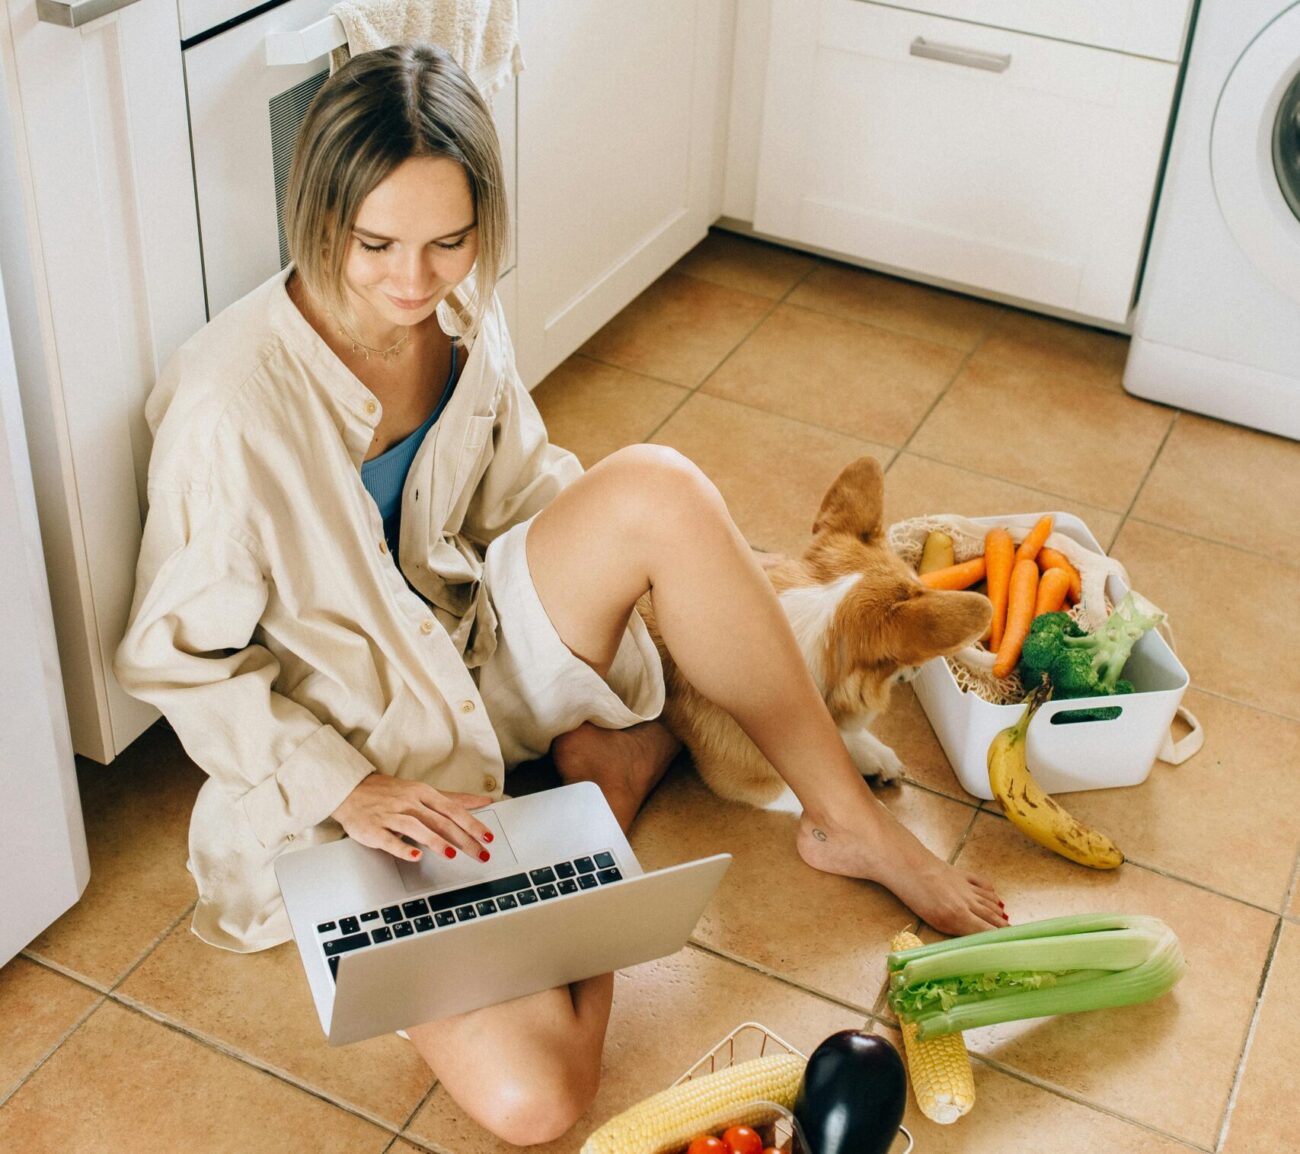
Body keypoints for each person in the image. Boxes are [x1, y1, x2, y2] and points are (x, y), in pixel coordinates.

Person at [114, 43, 1006, 1147]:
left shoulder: (455, 314)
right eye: (376, 242)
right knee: (537, 1098)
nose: (413, 278)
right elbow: (174, 661)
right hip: (362, 765)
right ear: (317, 215)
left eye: (449, 240)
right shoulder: (226, 405)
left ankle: (850, 823)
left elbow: (533, 491)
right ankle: (613, 782)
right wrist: (347, 785)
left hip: (475, 653)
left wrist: (647, 590)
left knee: (659, 490)